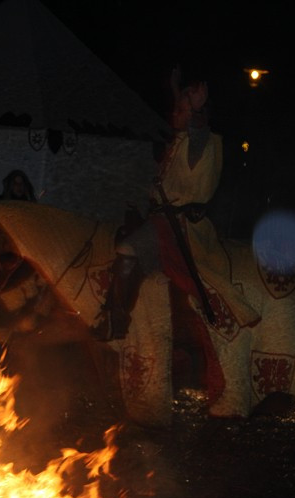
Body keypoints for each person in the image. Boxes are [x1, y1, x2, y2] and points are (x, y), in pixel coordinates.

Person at [95, 66, 224, 340]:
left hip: (181, 228)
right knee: (119, 233)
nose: (174, 114)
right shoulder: (181, 140)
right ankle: (108, 308)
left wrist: (198, 111)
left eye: (181, 110)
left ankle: (116, 322)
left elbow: (198, 130)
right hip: (161, 219)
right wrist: (175, 89)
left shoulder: (199, 143)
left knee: (127, 248)